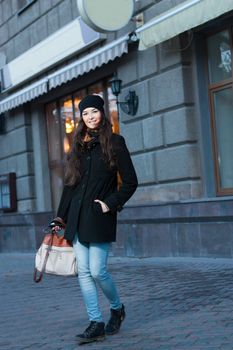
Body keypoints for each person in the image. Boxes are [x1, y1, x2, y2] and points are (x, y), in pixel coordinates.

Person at [51, 94, 138, 345]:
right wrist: (60, 216)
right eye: (85, 113)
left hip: (99, 215)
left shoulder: (115, 143)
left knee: (98, 271)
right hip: (76, 217)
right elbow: (70, 186)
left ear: (103, 112)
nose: (90, 117)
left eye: (94, 111)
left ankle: (117, 308)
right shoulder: (78, 145)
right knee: (84, 272)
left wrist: (109, 203)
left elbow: (130, 182)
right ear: (81, 118)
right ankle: (95, 322)